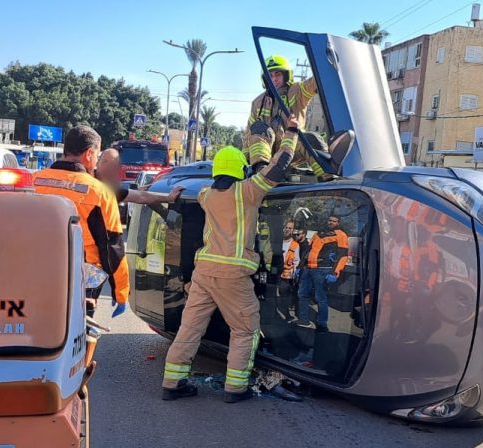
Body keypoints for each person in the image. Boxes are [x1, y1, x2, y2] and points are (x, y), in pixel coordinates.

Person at [161, 124, 299, 403]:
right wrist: (292, 136)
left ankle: (172, 383)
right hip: (233, 274)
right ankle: (236, 388)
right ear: (240, 169)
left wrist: (170, 196)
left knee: (190, 329)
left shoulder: (206, 196)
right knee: (245, 329)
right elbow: (278, 167)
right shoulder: (247, 191)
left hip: (204, 273)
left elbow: (191, 195)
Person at [32, 126, 129, 318]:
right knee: (83, 334)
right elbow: (112, 248)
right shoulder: (99, 192)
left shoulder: (32, 181)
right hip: (81, 281)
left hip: (34, 272)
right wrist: (121, 292)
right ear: (89, 153)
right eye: (97, 155)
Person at [245, 55, 328, 179]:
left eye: (278, 74)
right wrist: (245, 165)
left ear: (286, 75)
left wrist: (327, 64)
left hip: (293, 149)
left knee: (311, 138)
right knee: (259, 128)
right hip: (269, 155)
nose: (274, 79)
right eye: (270, 76)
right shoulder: (257, 102)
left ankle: (329, 177)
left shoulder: (297, 91)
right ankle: (262, 172)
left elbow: (316, 82)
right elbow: (248, 135)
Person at [296, 214, 349, 331]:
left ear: (338, 223)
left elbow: (343, 255)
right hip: (308, 268)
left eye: (334, 221)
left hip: (323, 269)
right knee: (302, 294)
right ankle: (304, 320)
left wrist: (335, 272)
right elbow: (307, 251)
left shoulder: (341, 235)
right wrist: (300, 266)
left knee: (320, 297)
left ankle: (322, 324)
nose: (331, 222)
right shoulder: (318, 233)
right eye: (330, 220)